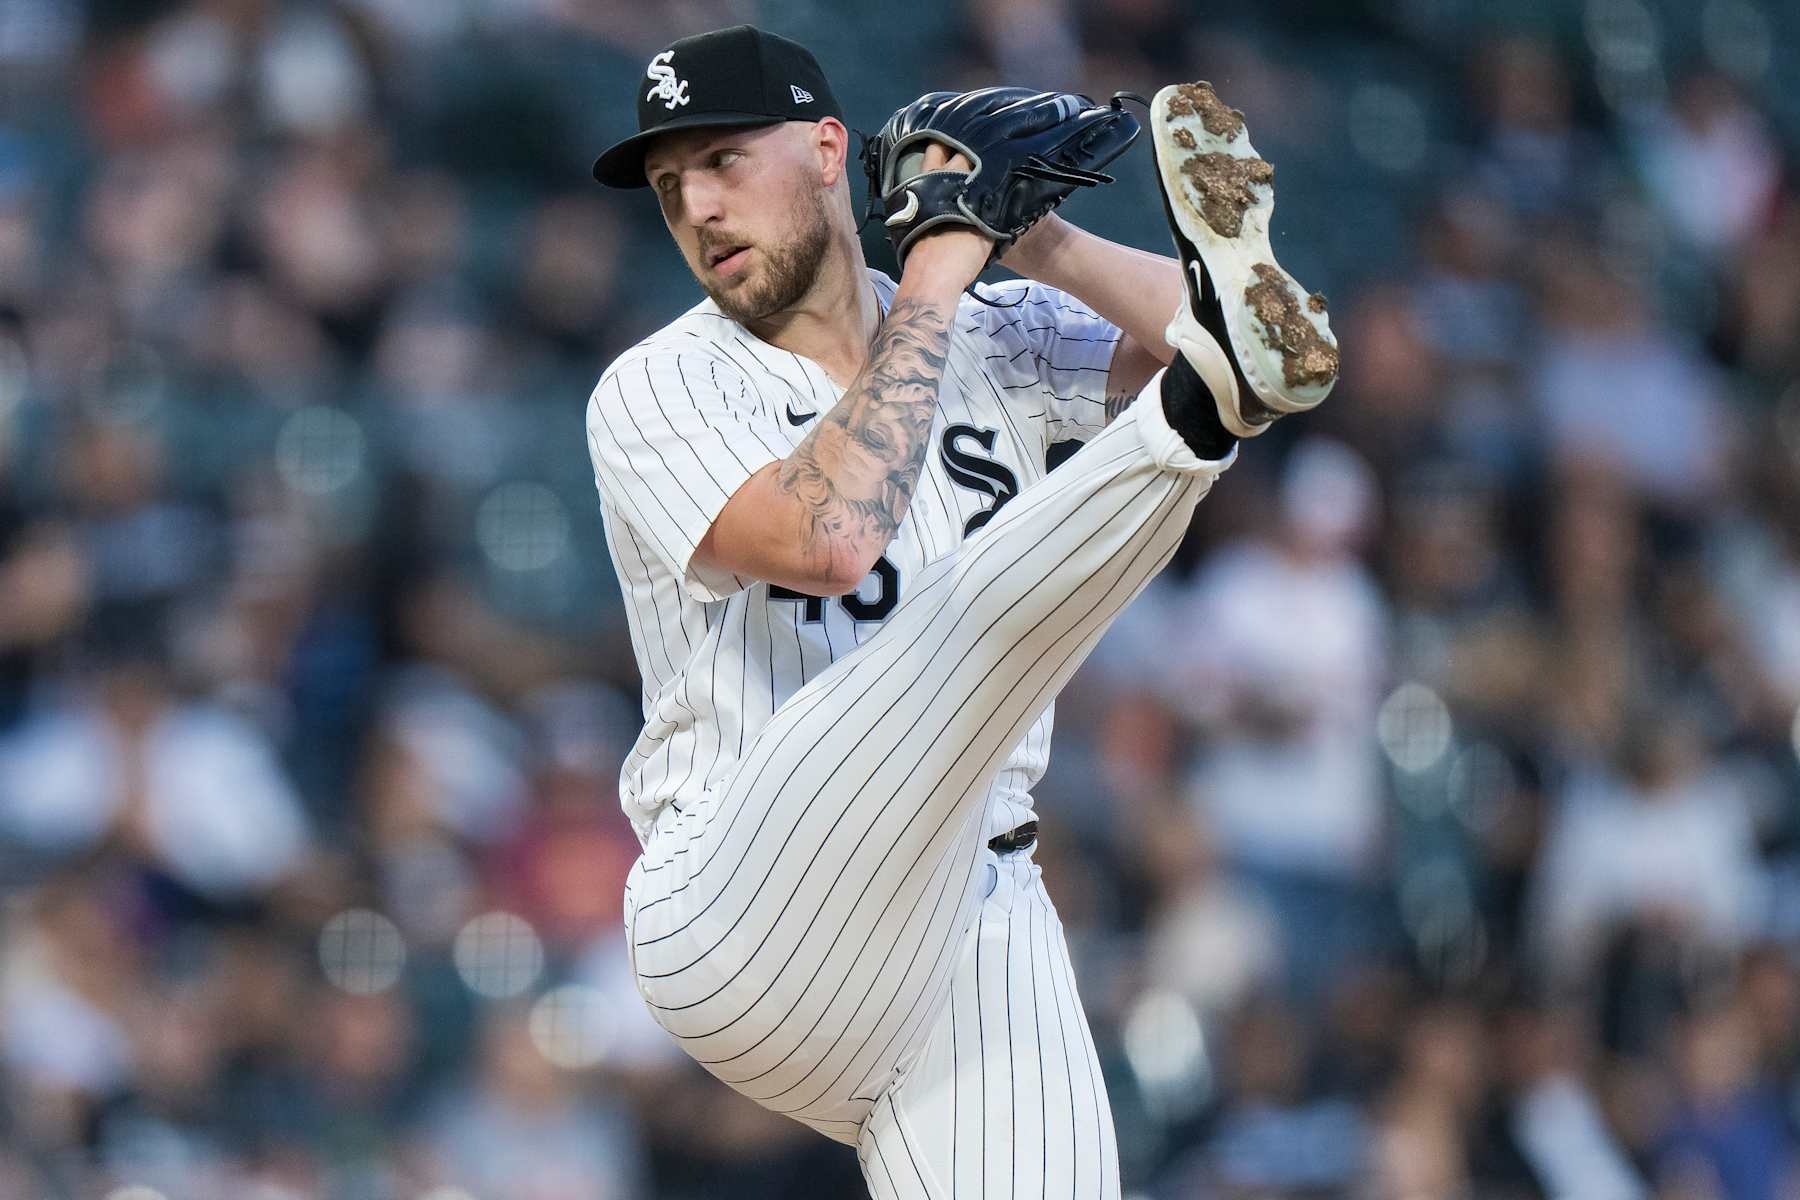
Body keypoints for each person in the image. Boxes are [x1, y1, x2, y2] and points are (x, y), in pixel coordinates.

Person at [584, 24, 1337, 1198]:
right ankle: (1192, 435)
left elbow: (1230, 336)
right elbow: (831, 537)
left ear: (829, 149)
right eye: (671, 187)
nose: (698, 208)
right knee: (967, 619)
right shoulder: (659, 384)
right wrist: (941, 255)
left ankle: (1197, 423)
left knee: (1210, 384)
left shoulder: (995, 326)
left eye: (725, 159)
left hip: (970, 918)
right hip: (745, 897)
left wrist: (1039, 236)